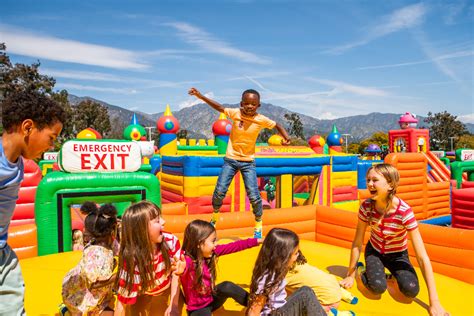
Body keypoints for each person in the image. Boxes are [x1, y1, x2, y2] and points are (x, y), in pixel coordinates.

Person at [340, 164, 449, 316]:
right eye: (368, 180)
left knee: (410, 290)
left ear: (390, 185)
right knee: (377, 287)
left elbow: (422, 257)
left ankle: (390, 275)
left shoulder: (404, 212)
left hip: (398, 255)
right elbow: (358, 242)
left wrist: (435, 303)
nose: (370, 184)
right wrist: (350, 274)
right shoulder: (366, 207)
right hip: (375, 252)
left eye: (375, 180)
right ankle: (362, 270)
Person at [188, 88, 290, 238]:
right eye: (246, 103)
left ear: (258, 105)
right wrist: (200, 96)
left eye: (253, 104)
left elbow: (277, 125)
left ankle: (258, 225)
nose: (249, 106)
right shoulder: (235, 113)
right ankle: (215, 216)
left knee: (254, 196)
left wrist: (286, 137)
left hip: (248, 162)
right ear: (241, 103)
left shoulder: (261, 119)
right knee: (219, 192)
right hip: (230, 160)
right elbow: (219, 107)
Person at [0, 90, 66, 315]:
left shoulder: (18, 162)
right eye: (51, 138)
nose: (51, 146)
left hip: (3, 252)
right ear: (27, 128)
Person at [116, 200, 185, 315]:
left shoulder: (170, 242)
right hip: (144, 292)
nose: (164, 222)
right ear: (141, 230)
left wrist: (174, 306)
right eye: (157, 221)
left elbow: (176, 274)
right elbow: (122, 301)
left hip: (168, 288)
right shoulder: (131, 259)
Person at [180, 219, 261, 315]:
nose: (216, 244)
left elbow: (234, 246)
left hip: (211, 299)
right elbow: (177, 265)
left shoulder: (210, 253)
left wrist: (258, 241)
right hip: (197, 309)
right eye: (213, 241)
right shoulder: (186, 261)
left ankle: (256, 305)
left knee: (227, 286)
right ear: (199, 243)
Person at [247, 228, 326, 316]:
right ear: (282, 256)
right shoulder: (267, 279)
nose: (298, 255)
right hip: (274, 314)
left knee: (306, 290)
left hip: (280, 309)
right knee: (305, 295)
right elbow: (253, 311)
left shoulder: (277, 268)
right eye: (295, 253)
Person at [61, 203, 119, 315]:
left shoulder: (109, 242)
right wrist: (117, 276)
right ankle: (67, 311)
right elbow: (94, 284)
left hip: (100, 292)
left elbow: (120, 251)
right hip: (82, 294)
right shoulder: (94, 255)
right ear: (111, 231)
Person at [286, 250, 357, 316]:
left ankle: (331, 313)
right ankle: (342, 292)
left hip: (328, 304)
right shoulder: (299, 260)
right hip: (334, 286)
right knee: (316, 280)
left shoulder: (283, 274)